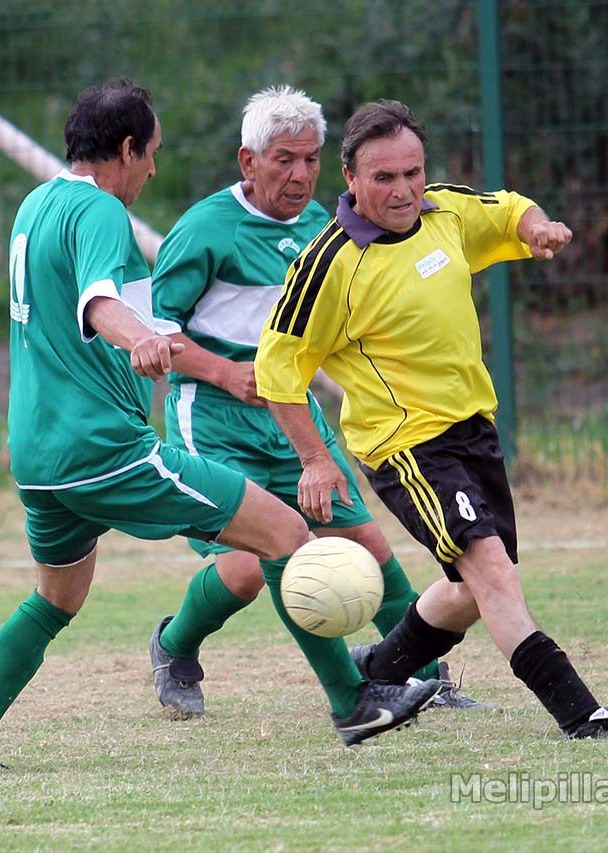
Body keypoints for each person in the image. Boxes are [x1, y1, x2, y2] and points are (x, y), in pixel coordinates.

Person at [0, 82, 440, 773]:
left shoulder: (36, 204)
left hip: (37, 455)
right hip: (102, 448)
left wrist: (140, 335)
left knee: (58, 598)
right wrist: (138, 338)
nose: (153, 171)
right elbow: (102, 301)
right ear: (128, 148)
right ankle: (353, 702)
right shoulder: (101, 210)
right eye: (151, 154)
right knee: (286, 531)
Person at [253, 99, 608, 740]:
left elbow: (507, 207)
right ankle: (583, 715)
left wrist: (540, 227)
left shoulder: (444, 211)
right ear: (351, 179)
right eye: (383, 177)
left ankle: (376, 674)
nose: (403, 189)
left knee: (471, 590)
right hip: (407, 445)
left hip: (474, 430)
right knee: (493, 573)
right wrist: (314, 458)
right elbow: (277, 372)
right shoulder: (327, 265)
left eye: (412, 172)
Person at [147, 85, 489, 719]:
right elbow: (154, 334)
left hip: (293, 417)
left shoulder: (331, 227)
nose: (299, 174)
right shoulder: (202, 231)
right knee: (248, 570)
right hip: (215, 424)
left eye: (310, 159)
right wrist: (224, 373)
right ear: (248, 162)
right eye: (283, 159)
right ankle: (174, 646)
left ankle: (427, 677)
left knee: (367, 543)